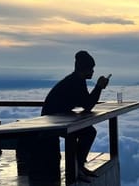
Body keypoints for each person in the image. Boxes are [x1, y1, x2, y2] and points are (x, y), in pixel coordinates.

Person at [40, 50, 111, 178]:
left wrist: (98, 88)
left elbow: (85, 103)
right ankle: (75, 168)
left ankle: (78, 166)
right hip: (52, 120)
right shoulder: (75, 82)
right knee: (86, 132)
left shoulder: (77, 80)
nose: (93, 72)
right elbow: (88, 105)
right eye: (91, 69)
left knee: (88, 132)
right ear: (84, 69)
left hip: (57, 117)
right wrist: (99, 87)